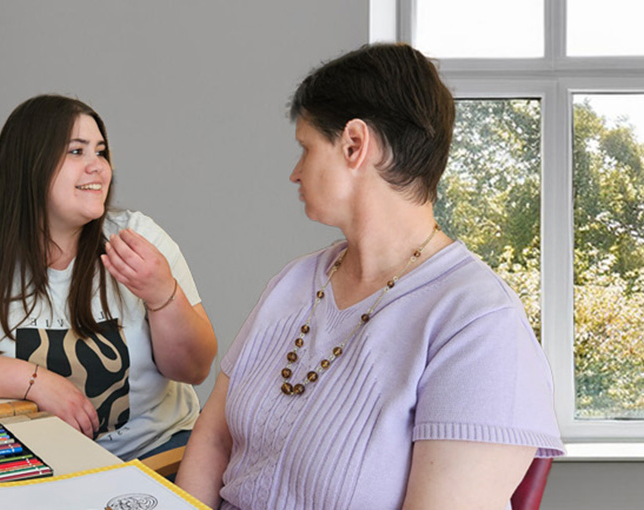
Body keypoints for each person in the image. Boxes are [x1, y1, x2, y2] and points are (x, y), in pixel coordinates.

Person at [176, 43, 564, 509]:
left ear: (354, 145)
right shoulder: (295, 282)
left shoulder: (479, 324)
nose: (295, 173)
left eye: (306, 148)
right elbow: (215, 437)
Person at [0, 94, 217, 461]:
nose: (99, 168)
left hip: (154, 455)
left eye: (101, 152)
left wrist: (162, 296)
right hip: (21, 467)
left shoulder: (138, 237)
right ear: (31, 164)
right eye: (77, 151)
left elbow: (194, 369)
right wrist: (34, 382)